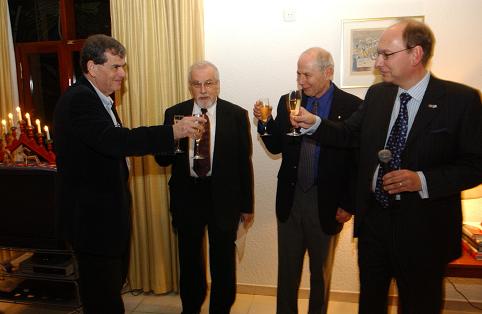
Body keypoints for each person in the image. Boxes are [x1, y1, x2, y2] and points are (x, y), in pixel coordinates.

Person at [293, 20, 482, 314]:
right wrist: (314, 123)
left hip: (424, 232)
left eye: (385, 54)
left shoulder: (460, 100)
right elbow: (347, 135)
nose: (377, 61)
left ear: (415, 54)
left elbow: (475, 165)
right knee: (370, 305)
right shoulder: (377, 95)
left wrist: (421, 180)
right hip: (374, 228)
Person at [53, 34, 203, 314]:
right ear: (92, 67)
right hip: (91, 222)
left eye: (124, 66)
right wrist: (172, 131)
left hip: (106, 220)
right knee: (104, 301)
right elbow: (116, 141)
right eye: (115, 66)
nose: (122, 74)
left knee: (110, 293)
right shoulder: (80, 100)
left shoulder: (101, 100)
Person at [253, 47, 361, 314]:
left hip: (327, 202)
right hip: (291, 199)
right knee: (287, 272)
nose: (300, 81)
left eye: (307, 75)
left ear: (328, 73)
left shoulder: (352, 106)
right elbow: (276, 147)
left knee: (320, 274)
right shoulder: (288, 100)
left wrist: (348, 203)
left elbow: (356, 162)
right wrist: (264, 123)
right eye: (298, 74)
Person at [155, 61, 254, 314]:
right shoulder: (174, 113)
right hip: (187, 196)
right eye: (197, 84)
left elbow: (244, 163)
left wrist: (247, 205)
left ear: (218, 85)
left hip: (223, 197)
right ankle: (190, 308)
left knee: (222, 261)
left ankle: (220, 309)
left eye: (208, 83)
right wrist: (174, 134)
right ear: (190, 87)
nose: (203, 90)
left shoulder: (236, 115)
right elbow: (162, 160)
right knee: (189, 261)